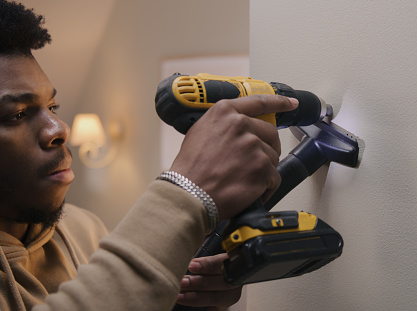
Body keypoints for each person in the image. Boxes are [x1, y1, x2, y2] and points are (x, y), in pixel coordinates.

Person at [0, 1, 298, 310]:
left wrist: (179, 298)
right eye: (15, 115)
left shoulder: (83, 228)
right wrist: (182, 193)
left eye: (53, 107)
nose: (59, 129)